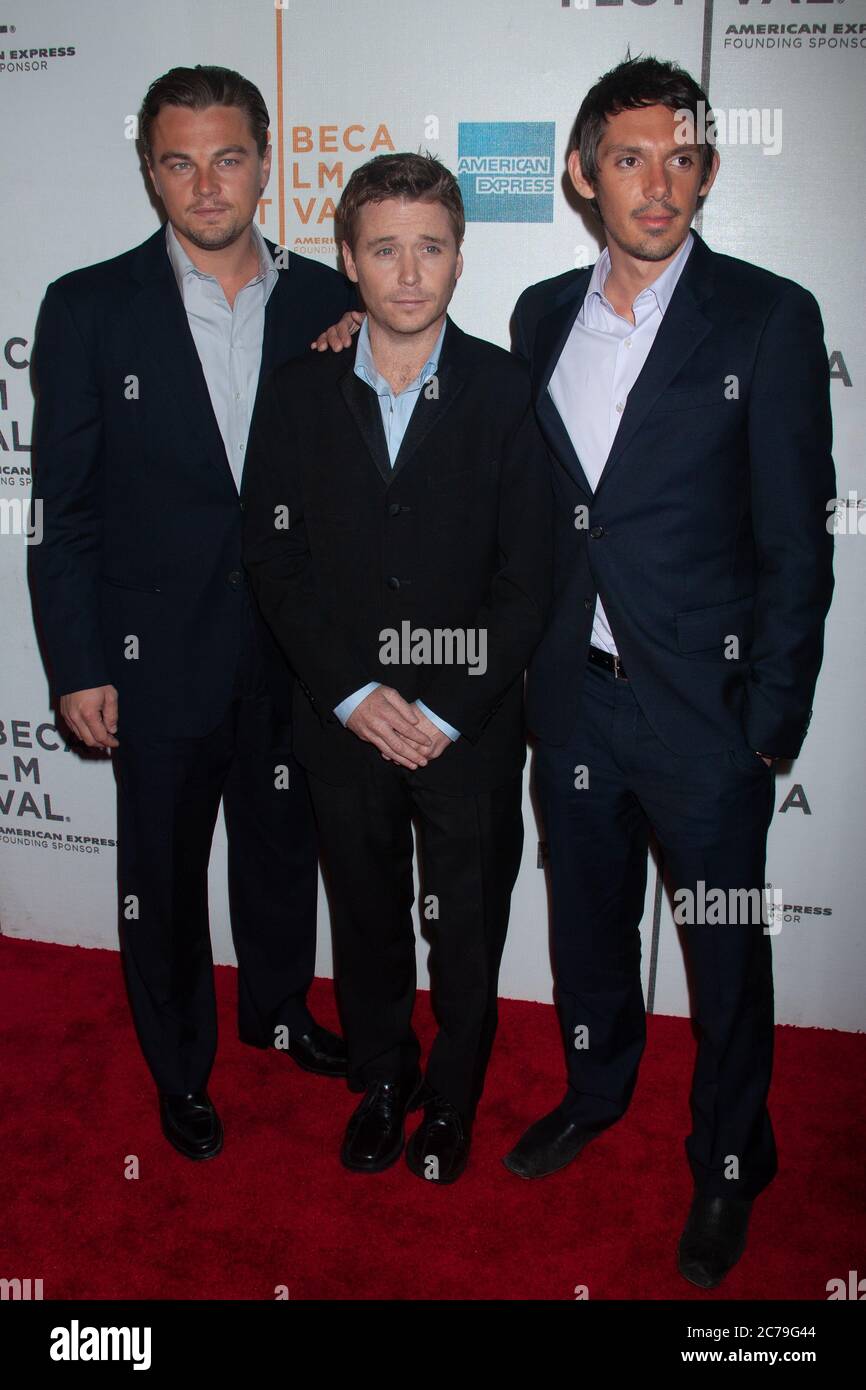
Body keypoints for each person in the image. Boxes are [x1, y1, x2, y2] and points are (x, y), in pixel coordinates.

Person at [502, 56, 835, 1288]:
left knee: (724, 951)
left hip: (706, 712)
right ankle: (596, 1093)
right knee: (586, 927)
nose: (658, 183)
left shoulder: (765, 315)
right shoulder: (538, 313)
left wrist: (768, 724)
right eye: (630, 157)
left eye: (682, 156)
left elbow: (798, 540)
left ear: (704, 169)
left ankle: (730, 1159)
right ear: (583, 174)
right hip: (572, 696)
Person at [30, 65, 356, 1162]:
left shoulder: (327, 300)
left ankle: (275, 1011)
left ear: (264, 162)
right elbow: (63, 509)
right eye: (179, 160)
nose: (205, 183)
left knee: (279, 850)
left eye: (227, 157)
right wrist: (76, 662)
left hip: (288, 652)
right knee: (160, 879)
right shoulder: (86, 307)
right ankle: (180, 1067)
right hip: (150, 653)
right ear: (149, 169)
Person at [242, 152, 552, 1183]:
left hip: (464, 730)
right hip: (341, 721)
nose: (408, 272)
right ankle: (381, 1077)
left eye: (429, 247)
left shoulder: (509, 391)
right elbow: (272, 555)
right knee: (366, 917)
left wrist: (445, 707)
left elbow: (529, 574)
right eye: (384, 249)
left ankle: (451, 1101)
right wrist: (353, 693)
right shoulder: (294, 393)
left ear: (459, 258)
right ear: (347, 260)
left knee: (463, 934)